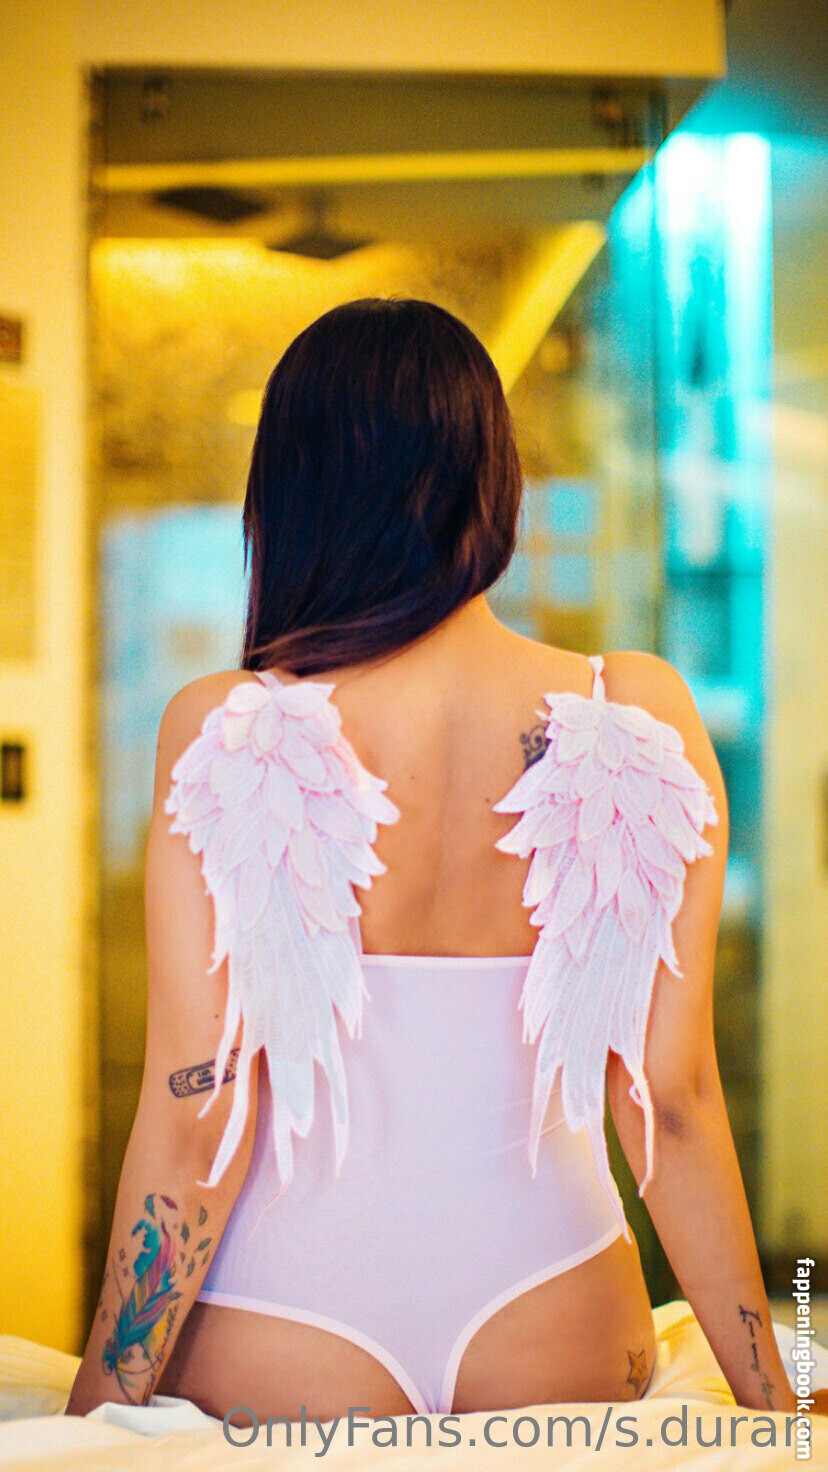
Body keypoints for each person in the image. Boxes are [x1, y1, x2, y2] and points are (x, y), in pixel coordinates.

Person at [67, 298, 799, 1424]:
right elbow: (674, 1099)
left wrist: (92, 1416)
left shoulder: (229, 727)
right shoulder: (635, 714)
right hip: (556, 1315)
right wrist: (781, 1394)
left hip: (284, 1324)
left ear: (291, 493)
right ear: (491, 478)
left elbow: (195, 1109)